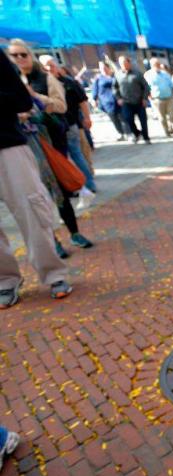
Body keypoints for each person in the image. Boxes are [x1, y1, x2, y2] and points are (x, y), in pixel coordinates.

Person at [8, 42, 94, 257]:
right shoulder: (10, 82)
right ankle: (52, 240)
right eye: (14, 56)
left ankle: (74, 232)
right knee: (35, 195)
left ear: (30, 55)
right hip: (22, 145)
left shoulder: (45, 78)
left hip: (49, 142)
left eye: (23, 54)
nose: (20, 59)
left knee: (59, 190)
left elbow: (61, 106)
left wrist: (34, 96)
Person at [1, 49, 72, 307]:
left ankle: (53, 274)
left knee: (32, 211)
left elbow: (22, 100)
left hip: (7, 146)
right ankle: (5, 281)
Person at [39, 55, 97, 193]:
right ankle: (74, 184)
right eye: (45, 66)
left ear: (57, 66)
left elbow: (82, 101)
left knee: (77, 153)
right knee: (63, 157)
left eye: (51, 65)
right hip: (53, 128)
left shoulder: (69, 83)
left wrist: (87, 118)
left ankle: (89, 184)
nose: (48, 68)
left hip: (71, 124)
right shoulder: (42, 84)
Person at [113, 55, 151, 144]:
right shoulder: (118, 75)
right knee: (128, 119)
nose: (124, 65)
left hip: (139, 101)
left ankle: (146, 137)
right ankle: (137, 133)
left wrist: (145, 98)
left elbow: (146, 87)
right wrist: (118, 98)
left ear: (129, 63)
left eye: (125, 63)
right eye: (121, 63)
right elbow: (115, 88)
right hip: (126, 102)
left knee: (143, 120)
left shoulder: (137, 73)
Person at [92, 62, 128, 141]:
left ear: (108, 68)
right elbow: (95, 90)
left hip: (119, 100)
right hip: (107, 103)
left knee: (124, 117)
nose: (103, 70)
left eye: (105, 68)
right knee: (114, 119)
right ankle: (121, 133)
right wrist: (95, 100)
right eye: (101, 68)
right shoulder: (98, 79)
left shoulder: (115, 76)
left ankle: (129, 132)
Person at [144, 58, 173, 137]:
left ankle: (172, 129)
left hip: (169, 97)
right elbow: (146, 87)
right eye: (155, 64)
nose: (157, 65)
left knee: (172, 115)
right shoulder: (148, 75)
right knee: (162, 118)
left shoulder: (165, 74)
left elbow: (171, 84)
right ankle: (166, 131)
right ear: (152, 65)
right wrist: (149, 96)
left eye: (158, 64)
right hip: (157, 99)